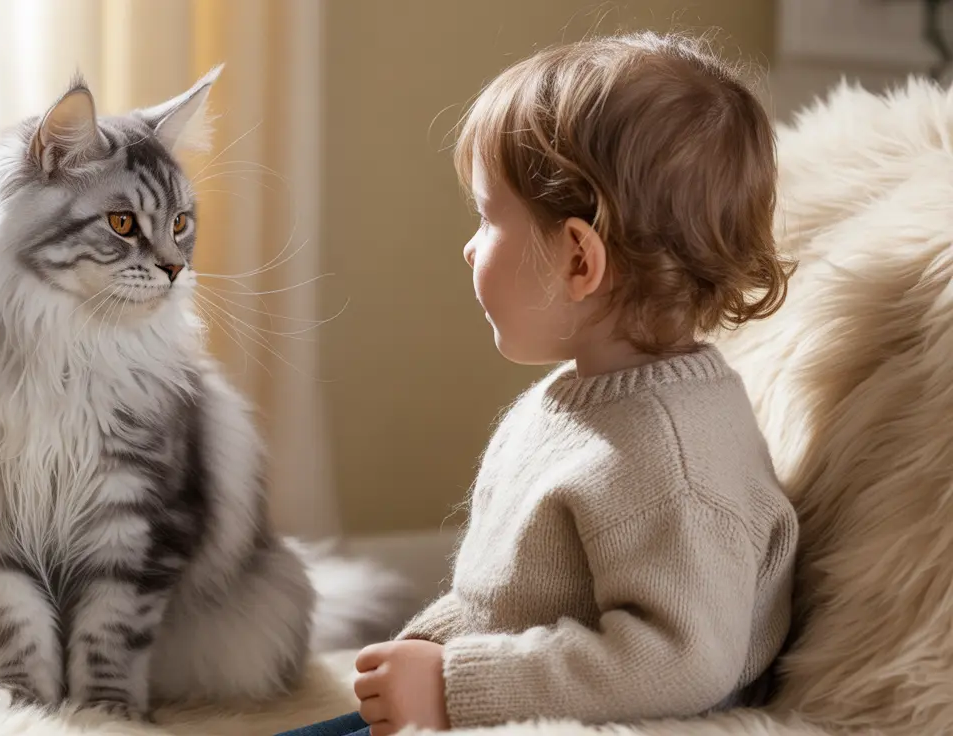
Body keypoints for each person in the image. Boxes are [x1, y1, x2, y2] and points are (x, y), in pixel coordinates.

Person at [278, 31, 799, 736]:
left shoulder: (673, 456)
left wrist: (456, 684)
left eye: (488, 218)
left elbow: (685, 661)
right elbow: (507, 599)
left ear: (579, 259)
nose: (469, 248)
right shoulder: (572, 402)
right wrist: (429, 646)